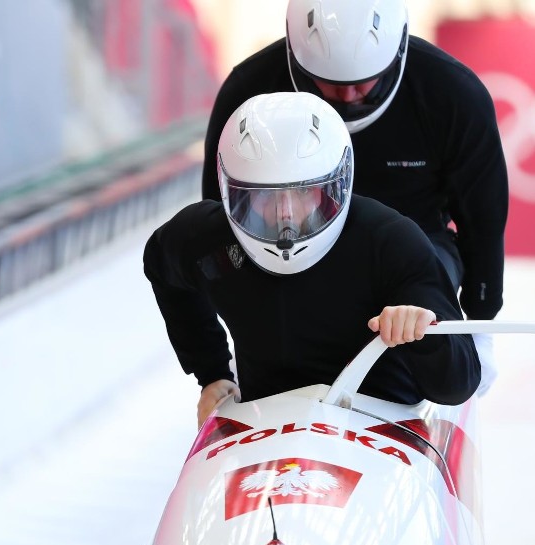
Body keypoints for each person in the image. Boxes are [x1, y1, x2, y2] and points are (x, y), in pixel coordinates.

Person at [200, 0, 508, 394]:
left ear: (395, 53)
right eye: (328, 81)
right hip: (291, 240)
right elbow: (221, 215)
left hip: (414, 248)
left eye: (365, 80)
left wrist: (481, 320)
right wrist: (216, 366)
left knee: (418, 290)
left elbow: (482, 216)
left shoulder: (451, 94)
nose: (347, 95)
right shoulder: (250, 91)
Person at [144, 92, 480, 427]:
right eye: (264, 195)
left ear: (336, 184)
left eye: (304, 191)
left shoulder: (390, 242)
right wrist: (211, 372)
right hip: (264, 429)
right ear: (232, 190)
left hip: (381, 423)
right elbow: (160, 262)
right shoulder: (207, 240)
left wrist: (421, 333)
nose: (285, 214)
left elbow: (458, 384)